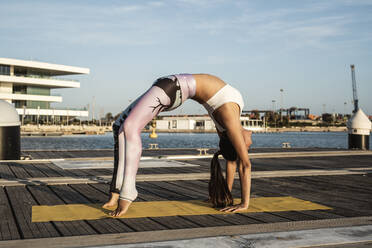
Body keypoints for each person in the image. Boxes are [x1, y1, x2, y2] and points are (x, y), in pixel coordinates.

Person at [103, 74, 252, 217]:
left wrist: (244, 204)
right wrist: (226, 194)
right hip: (170, 85)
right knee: (119, 126)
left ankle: (128, 192)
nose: (250, 141)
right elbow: (234, 161)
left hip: (173, 88)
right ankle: (116, 192)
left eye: (246, 147)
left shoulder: (228, 122)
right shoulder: (229, 121)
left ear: (235, 140)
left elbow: (243, 164)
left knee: (130, 127)